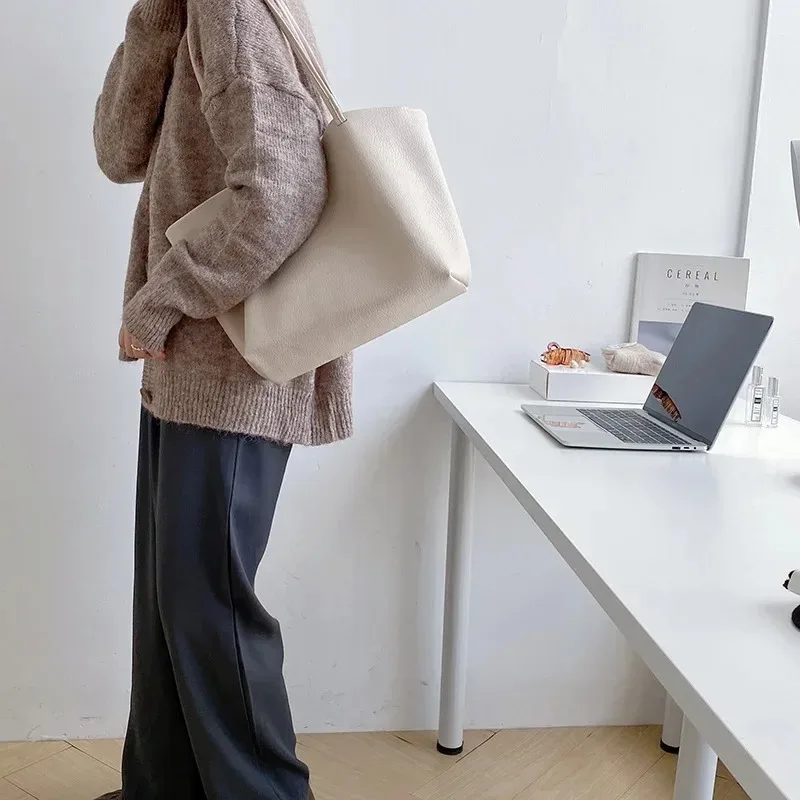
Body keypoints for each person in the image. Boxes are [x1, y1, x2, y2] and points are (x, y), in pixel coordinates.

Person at [93, 0, 351, 797]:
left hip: (237, 364)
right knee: (172, 602)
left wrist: (159, 300)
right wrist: (153, 20)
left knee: (210, 610)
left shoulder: (235, 8)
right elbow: (118, 151)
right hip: (192, 363)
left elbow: (283, 186)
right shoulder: (191, 11)